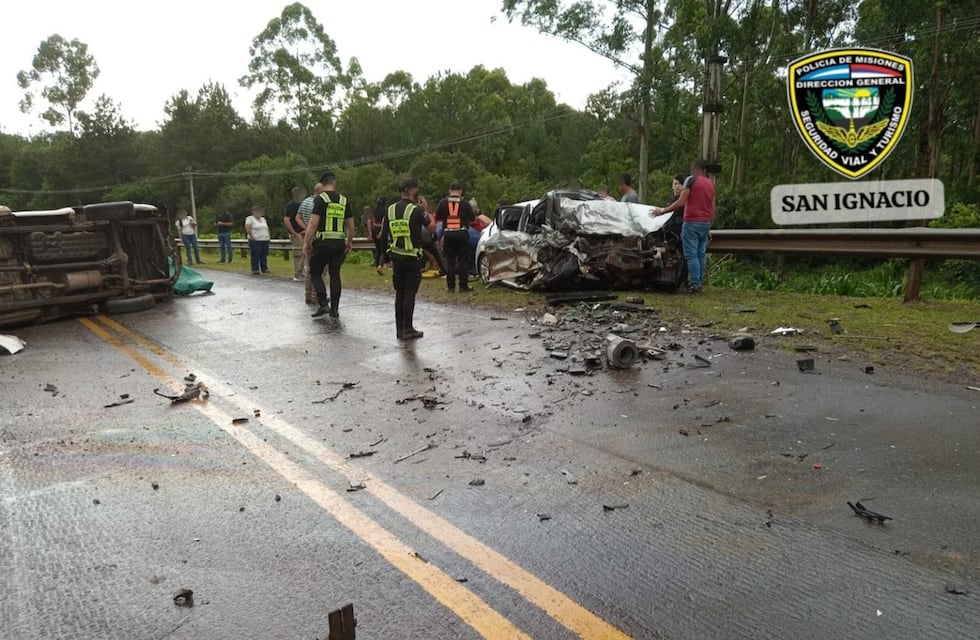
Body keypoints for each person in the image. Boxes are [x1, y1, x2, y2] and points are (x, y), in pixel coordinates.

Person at [653, 160, 715, 293]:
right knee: (700, 253)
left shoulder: (690, 180)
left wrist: (663, 211)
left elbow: (681, 202)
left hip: (692, 221)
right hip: (705, 222)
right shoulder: (710, 184)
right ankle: (698, 281)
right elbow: (712, 206)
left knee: (691, 254)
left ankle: (695, 284)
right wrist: (710, 225)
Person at [378, 178, 429, 340]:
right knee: (409, 293)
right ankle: (408, 328)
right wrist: (425, 209)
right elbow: (432, 227)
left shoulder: (390, 210)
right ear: (410, 191)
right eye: (416, 189)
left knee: (400, 293)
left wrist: (383, 259)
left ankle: (400, 329)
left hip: (396, 258)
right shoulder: (416, 210)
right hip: (412, 257)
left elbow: (384, 235)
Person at [304, 171, 354, 319]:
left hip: (323, 243)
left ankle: (323, 303)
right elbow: (351, 226)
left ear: (322, 184)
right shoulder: (344, 201)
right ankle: (335, 310)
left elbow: (313, 224)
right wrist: (349, 241)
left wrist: (306, 242)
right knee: (335, 275)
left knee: (314, 271)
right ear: (334, 183)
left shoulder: (320, 200)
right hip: (339, 243)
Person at [436, 181, 476, 292]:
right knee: (463, 260)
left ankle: (451, 287)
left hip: (448, 233)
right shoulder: (465, 203)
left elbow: (438, 216)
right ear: (461, 191)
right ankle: (463, 286)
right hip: (462, 232)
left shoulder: (443, 202)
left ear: (449, 191)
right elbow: (472, 218)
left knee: (450, 261)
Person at [297, 183, 322, 304]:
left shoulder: (305, 201)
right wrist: (311, 229)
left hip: (307, 236)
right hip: (317, 237)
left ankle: (308, 295)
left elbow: (298, 217)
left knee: (309, 268)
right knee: (320, 269)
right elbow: (316, 222)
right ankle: (316, 295)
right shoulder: (320, 203)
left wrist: (306, 228)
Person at [284, 186, 307, 282]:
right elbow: (286, 219)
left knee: (305, 253)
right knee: (299, 253)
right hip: (296, 233)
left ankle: (302, 272)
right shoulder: (291, 205)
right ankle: (297, 274)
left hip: (304, 232)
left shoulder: (303, 204)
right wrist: (293, 232)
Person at [245, 206, 271, 275]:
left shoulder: (263, 219)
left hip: (264, 239)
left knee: (264, 254)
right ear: (253, 212)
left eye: (260, 212)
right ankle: (255, 268)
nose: (258, 213)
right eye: (256, 211)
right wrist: (252, 236)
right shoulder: (250, 219)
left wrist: (268, 236)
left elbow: (266, 228)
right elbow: (248, 228)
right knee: (256, 254)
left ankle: (264, 268)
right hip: (256, 239)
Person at [370, 196, 389, 275]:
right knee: (383, 250)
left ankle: (377, 265)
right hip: (380, 229)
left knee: (378, 249)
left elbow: (373, 220)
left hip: (374, 228)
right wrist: (381, 232)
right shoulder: (385, 210)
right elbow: (384, 221)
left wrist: (372, 231)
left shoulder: (375, 209)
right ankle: (380, 266)